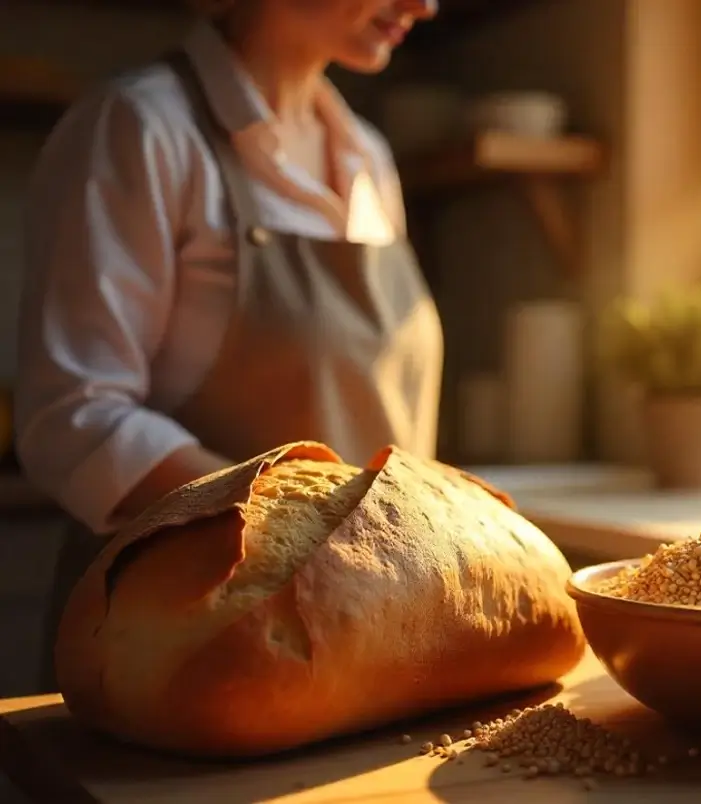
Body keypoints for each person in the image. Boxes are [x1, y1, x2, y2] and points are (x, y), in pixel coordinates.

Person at [15, 0, 443, 692]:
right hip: (176, 651)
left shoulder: (367, 154)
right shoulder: (142, 128)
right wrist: (307, 535)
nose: (424, 5)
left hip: (362, 630)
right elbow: (74, 417)